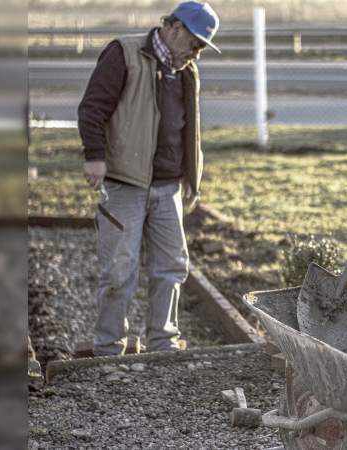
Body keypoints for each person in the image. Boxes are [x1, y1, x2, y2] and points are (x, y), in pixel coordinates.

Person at [77, 1, 221, 356]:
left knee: (172, 267)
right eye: (196, 42)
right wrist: (95, 157)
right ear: (175, 29)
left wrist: (192, 176)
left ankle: (163, 344)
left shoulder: (187, 71)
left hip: (168, 186)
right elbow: (92, 109)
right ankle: (109, 347)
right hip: (125, 183)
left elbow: (190, 129)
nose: (197, 52)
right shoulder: (123, 54)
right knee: (119, 271)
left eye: (202, 47)